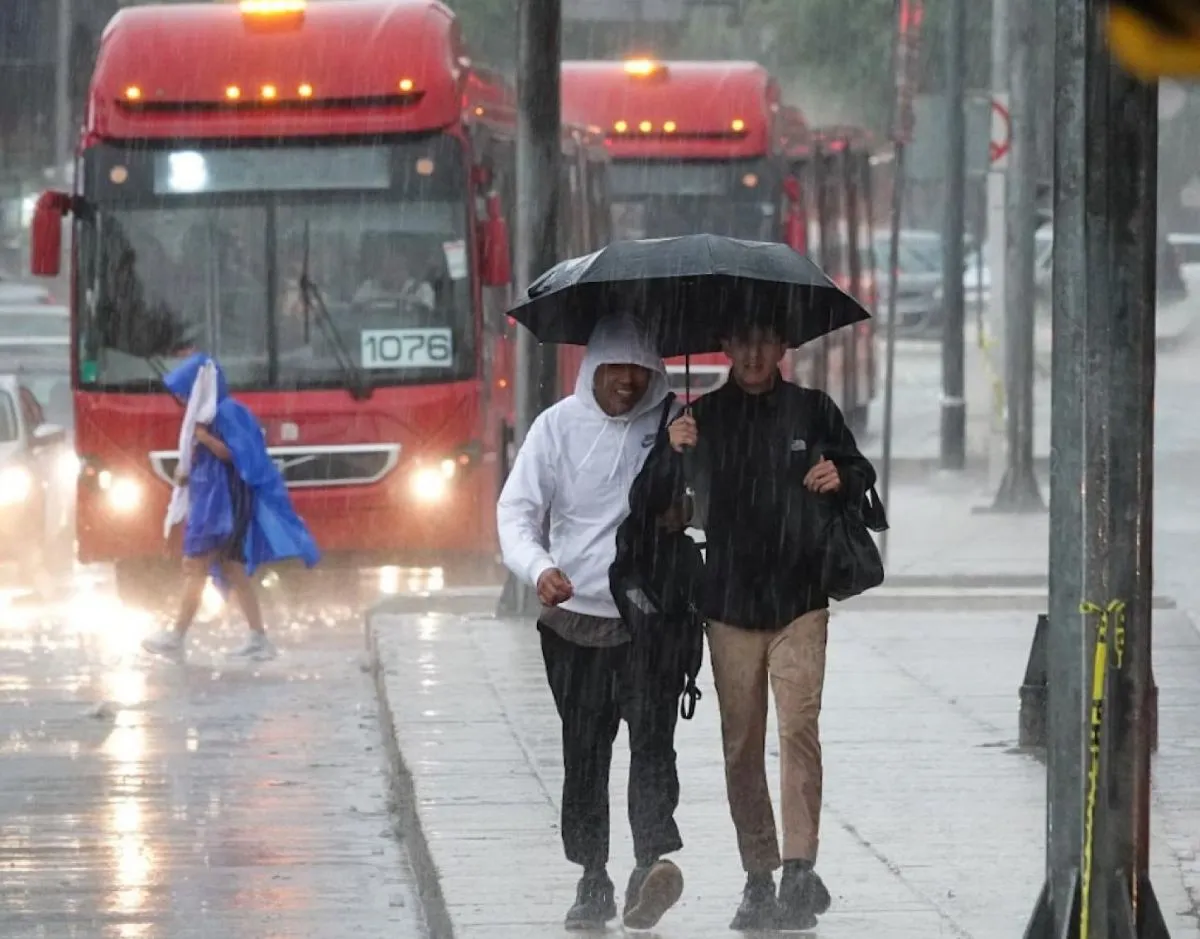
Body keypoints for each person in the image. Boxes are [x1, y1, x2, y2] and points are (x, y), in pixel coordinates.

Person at [662, 316, 876, 931]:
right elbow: (668, 505)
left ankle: (799, 869)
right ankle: (758, 875)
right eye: (742, 340)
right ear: (725, 345)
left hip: (800, 600)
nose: (754, 353)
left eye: (765, 340)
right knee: (741, 745)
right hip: (729, 605)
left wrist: (842, 476)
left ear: (784, 346)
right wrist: (672, 451)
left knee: (799, 727)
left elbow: (861, 472)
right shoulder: (701, 418)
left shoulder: (814, 409)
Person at [496, 315, 689, 932]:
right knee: (584, 752)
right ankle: (592, 876)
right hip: (574, 625)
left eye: (641, 369)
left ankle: (649, 864)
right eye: (615, 368)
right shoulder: (555, 428)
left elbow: (709, 507)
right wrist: (539, 568)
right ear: (592, 369)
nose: (628, 381)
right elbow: (516, 511)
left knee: (653, 745)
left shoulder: (676, 426)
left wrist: (686, 485)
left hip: (650, 623)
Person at [142, 353, 320, 661]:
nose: (182, 399)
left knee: (195, 565)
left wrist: (203, 438)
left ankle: (177, 635)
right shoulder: (207, 416)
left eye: (185, 392)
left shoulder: (226, 413)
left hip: (224, 505)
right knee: (232, 568)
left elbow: (236, 455)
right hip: (213, 503)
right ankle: (257, 637)